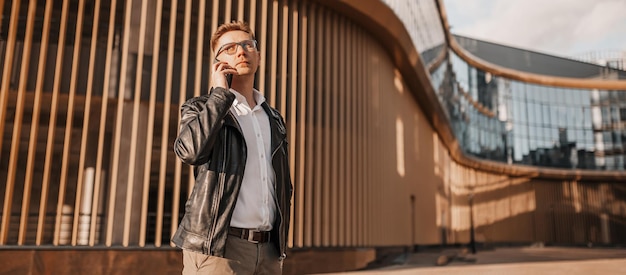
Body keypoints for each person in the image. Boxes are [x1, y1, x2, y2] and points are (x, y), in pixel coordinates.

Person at [172, 21, 293, 275]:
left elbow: (282, 185)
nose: (241, 51)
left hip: (269, 252)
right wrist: (219, 94)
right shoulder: (200, 109)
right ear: (218, 62)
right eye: (230, 48)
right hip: (218, 250)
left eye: (248, 45)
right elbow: (190, 151)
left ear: (258, 55)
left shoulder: (274, 119)